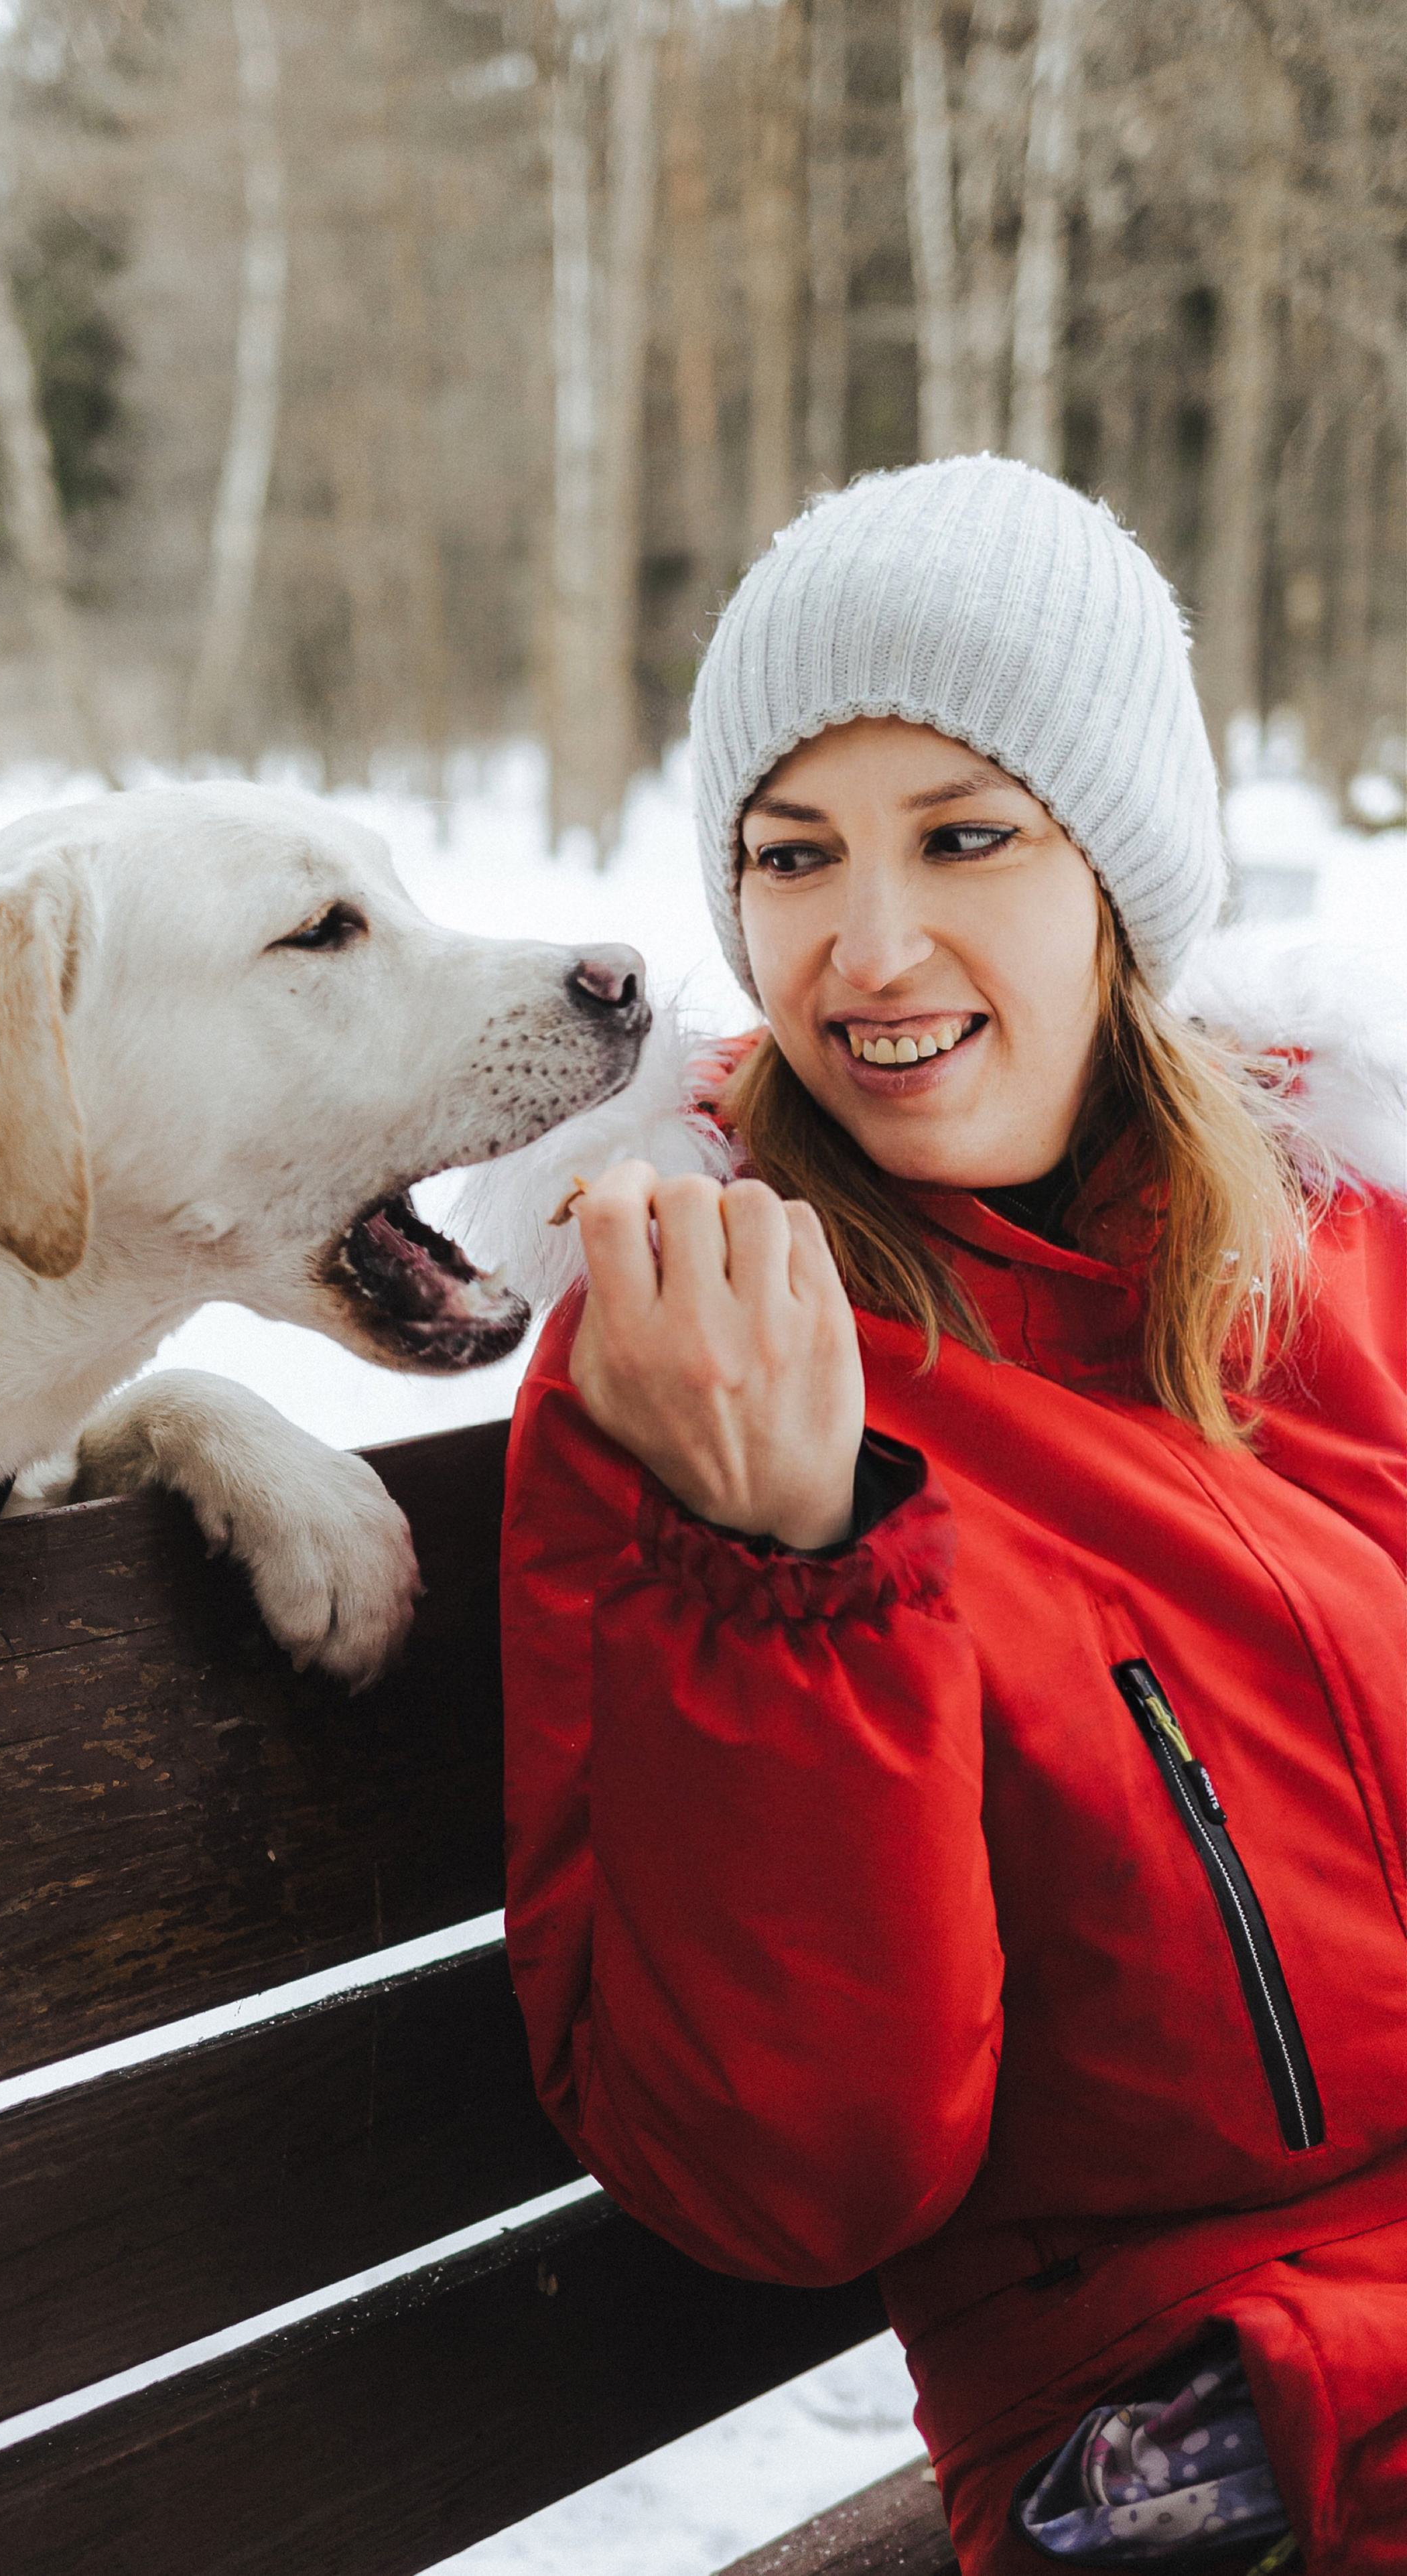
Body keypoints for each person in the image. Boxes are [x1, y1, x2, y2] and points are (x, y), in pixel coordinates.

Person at [498, 457, 1406, 2574]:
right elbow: (797, 2174)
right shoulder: (693, 1352)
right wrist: (788, 1568)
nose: (870, 950)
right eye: (794, 855)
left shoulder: (1330, 1234)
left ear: (1117, 872)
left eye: (965, 836)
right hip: (1209, 2432)